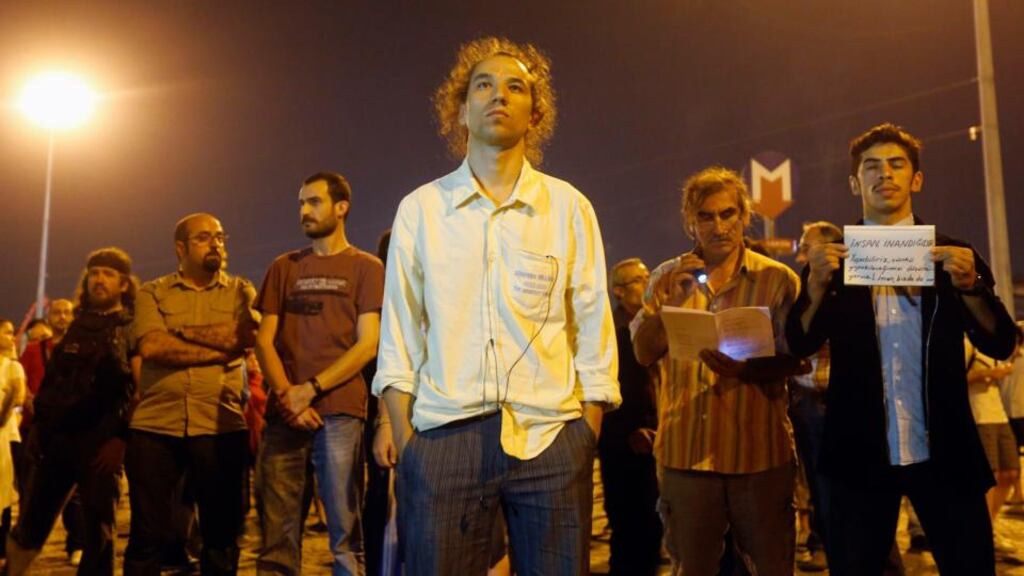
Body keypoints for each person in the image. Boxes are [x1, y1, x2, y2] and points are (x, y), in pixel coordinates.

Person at [373, 37, 620, 575]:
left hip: (551, 438)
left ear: (536, 111)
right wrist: (408, 437)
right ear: (460, 109)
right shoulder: (422, 210)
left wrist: (586, 430)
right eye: (482, 85)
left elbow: (593, 321)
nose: (498, 95)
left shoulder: (569, 208)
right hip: (443, 437)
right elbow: (400, 331)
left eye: (516, 87)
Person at [786, 123, 1018, 575]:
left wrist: (971, 287)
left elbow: (1001, 341)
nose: (884, 175)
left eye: (896, 165)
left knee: (970, 564)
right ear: (855, 183)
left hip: (944, 444)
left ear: (916, 179)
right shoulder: (833, 263)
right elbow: (799, 343)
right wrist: (813, 287)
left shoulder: (952, 252)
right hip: (859, 448)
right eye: (871, 167)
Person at [631, 166, 803, 576]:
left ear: (745, 216)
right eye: (706, 216)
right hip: (686, 456)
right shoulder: (666, 277)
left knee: (772, 566)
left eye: (728, 214)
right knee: (692, 567)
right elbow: (641, 353)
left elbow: (801, 359)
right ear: (690, 221)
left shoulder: (778, 281)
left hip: (759, 454)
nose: (719, 226)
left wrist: (749, 370)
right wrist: (668, 307)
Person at [255, 171, 384, 575]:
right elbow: (263, 341)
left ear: (341, 207)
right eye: (301, 203)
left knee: (344, 532)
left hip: (340, 412)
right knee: (277, 535)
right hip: (284, 416)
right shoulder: (284, 267)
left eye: (313, 201)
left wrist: (309, 390)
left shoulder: (367, 267)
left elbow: (368, 344)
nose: (304, 211)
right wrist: (287, 396)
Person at [125, 213, 257, 576]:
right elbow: (152, 346)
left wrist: (178, 332)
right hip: (156, 426)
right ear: (180, 248)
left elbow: (244, 338)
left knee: (221, 536)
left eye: (219, 236)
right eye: (203, 237)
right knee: (147, 534)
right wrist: (219, 349)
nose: (216, 243)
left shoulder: (241, 291)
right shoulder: (152, 292)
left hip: (220, 424)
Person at [5, 248, 138, 576]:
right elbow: (53, 385)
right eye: (94, 273)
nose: (99, 279)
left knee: (98, 535)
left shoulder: (133, 328)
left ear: (123, 284)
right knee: (31, 525)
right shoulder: (77, 325)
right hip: (57, 444)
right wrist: (39, 432)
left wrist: (120, 440)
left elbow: (139, 389)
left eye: (108, 274)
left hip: (100, 447)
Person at [599, 257, 662, 575]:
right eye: (640, 279)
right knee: (626, 521)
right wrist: (631, 431)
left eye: (648, 274)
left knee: (655, 522)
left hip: (658, 437)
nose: (648, 281)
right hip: (623, 442)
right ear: (619, 291)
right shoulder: (609, 332)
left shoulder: (655, 323)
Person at [16, 297, 85, 565]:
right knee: (30, 487)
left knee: (75, 494)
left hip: (71, 429)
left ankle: (77, 544)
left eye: (67, 312)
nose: (63, 317)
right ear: (50, 315)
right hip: (37, 428)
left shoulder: (82, 349)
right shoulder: (34, 350)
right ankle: (26, 543)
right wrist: (34, 405)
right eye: (57, 312)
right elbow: (22, 382)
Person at [964, 334, 1022, 555]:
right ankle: (984, 535)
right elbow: (953, 378)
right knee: (991, 476)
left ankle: (989, 525)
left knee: (1010, 472)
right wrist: (988, 373)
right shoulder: (967, 342)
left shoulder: (993, 345)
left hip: (999, 413)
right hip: (978, 415)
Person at [0, 318, 26, 567]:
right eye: (7, 333)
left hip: (5, 439)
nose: (11, 337)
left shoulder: (12, 367)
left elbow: (17, 397)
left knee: (4, 495)